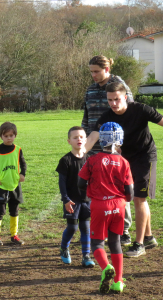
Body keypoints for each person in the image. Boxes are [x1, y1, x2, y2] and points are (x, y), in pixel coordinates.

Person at [85, 82, 163, 258]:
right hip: (123, 160)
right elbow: (93, 137)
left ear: (125, 97)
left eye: (117, 99)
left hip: (145, 157)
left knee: (138, 199)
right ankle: (149, 237)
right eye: (110, 100)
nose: (113, 103)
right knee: (135, 199)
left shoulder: (141, 110)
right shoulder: (106, 116)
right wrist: (80, 153)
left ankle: (139, 244)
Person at [82, 55, 134, 246]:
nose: (93, 75)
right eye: (91, 72)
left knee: (118, 187)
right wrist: (85, 142)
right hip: (94, 146)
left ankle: (124, 229)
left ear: (106, 69)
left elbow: (129, 112)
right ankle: (100, 228)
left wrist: (121, 144)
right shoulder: (90, 89)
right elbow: (87, 117)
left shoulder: (118, 85)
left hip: (115, 147)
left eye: (96, 71)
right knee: (97, 188)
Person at [78, 122, 134, 294]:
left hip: (99, 205)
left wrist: (87, 195)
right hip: (119, 205)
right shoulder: (124, 162)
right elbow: (130, 192)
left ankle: (106, 267)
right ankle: (118, 282)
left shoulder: (92, 160)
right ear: (120, 140)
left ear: (100, 140)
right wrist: (123, 200)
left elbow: (81, 183)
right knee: (115, 242)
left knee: (97, 243)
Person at [56, 126, 95, 268]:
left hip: (86, 200)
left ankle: (86, 255)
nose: (79, 139)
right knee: (72, 228)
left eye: (81, 137)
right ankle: (64, 248)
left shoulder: (90, 159)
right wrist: (66, 200)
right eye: (75, 137)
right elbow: (62, 183)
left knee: (85, 228)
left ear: (85, 140)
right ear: (69, 141)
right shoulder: (65, 160)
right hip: (71, 201)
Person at [0, 122, 27, 247]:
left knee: (14, 211)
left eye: (11, 135)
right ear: (1, 136)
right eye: (6, 136)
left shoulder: (18, 149)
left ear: (15, 135)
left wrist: (22, 174)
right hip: (1, 186)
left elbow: (23, 163)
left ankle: (14, 235)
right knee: (0, 211)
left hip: (15, 185)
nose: (9, 138)